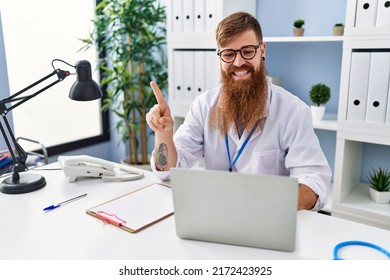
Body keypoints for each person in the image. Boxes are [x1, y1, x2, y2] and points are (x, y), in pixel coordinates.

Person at [146, 12, 331, 211]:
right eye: (228, 54)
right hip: (215, 214)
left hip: (269, 217)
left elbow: (315, 186)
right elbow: (168, 172)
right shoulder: (203, 105)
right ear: (219, 57)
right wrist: (163, 134)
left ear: (262, 50)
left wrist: (254, 201)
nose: (238, 62)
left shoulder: (293, 111)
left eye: (247, 51)